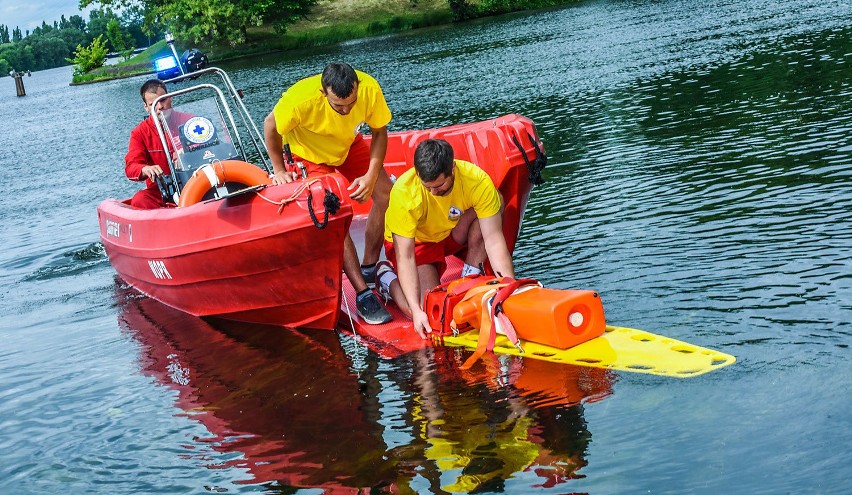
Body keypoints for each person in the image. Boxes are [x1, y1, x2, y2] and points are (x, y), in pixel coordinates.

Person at [263, 62, 394, 325]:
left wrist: (370, 176)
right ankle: (362, 293)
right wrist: (278, 169)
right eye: (338, 105)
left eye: (351, 104)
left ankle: (370, 265)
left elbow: (379, 131)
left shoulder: (369, 88)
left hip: (347, 145)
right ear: (324, 93)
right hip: (309, 155)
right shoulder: (300, 100)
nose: (346, 110)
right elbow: (270, 126)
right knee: (334, 215)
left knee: (387, 195)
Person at [380, 139, 516, 338]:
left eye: (440, 186)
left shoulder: (476, 180)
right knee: (428, 312)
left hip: (448, 230)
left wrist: (509, 288)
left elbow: (494, 239)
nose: (434, 193)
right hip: (417, 244)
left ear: (453, 168)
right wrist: (416, 312)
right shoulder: (404, 194)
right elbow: (405, 256)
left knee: (496, 202)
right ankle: (386, 279)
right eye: (428, 188)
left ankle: (469, 278)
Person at [124, 79, 190, 209]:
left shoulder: (189, 121)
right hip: (162, 191)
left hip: (195, 182)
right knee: (139, 199)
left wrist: (188, 151)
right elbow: (131, 167)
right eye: (153, 103)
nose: (160, 106)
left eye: (162, 100)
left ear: (170, 98)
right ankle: (165, 223)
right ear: (147, 107)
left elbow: (211, 145)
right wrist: (145, 169)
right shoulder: (139, 133)